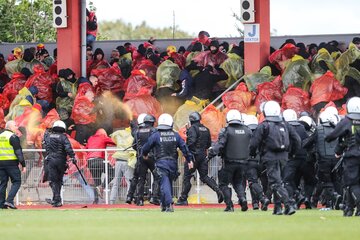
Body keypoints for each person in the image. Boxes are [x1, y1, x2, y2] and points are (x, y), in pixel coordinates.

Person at [249, 101, 301, 215]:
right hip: (284, 157)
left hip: (270, 157)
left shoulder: (264, 125)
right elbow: (297, 139)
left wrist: (252, 153)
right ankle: (277, 208)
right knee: (279, 181)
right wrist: (292, 153)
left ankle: (288, 204)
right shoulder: (285, 124)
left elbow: (254, 143)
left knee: (275, 183)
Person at [141, 113, 193, 212]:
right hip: (173, 163)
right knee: (167, 183)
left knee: (164, 183)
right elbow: (184, 148)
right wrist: (189, 160)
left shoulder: (156, 135)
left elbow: (146, 147)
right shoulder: (176, 135)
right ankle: (164, 205)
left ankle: (169, 204)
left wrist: (144, 155)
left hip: (161, 163)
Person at [208, 110, 251, 212]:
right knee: (238, 182)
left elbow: (220, 145)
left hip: (229, 162)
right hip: (243, 162)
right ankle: (243, 198)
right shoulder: (248, 130)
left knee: (223, 184)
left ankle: (229, 205)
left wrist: (211, 153)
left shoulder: (226, 130)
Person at [176, 111, 223, 206]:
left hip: (193, 156)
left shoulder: (192, 128)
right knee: (205, 177)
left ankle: (183, 198)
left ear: (191, 120)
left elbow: (190, 143)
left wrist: (188, 155)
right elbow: (209, 144)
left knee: (187, 177)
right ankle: (218, 190)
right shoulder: (206, 129)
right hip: (202, 155)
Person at [325, 97, 360, 216]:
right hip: (353, 153)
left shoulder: (347, 121)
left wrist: (329, 137)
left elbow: (332, 136)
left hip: (352, 156)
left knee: (351, 182)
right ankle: (349, 209)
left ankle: (356, 205)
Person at [126, 114, 160, 206]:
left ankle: (139, 200)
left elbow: (134, 145)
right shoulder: (154, 130)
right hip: (152, 157)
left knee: (141, 178)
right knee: (157, 177)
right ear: (152, 122)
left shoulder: (138, 131)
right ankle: (154, 197)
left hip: (141, 157)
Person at [42, 120, 76, 207]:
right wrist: (72, 157)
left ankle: (56, 199)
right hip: (61, 160)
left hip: (50, 160)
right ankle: (57, 199)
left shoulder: (48, 136)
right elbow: (68, 147)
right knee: (59, 180)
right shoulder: (63, 137)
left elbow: (45, 146)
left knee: (53, 180)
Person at [243, 114, 270, 211]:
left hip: (250, 160)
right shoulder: (262, 132)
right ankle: (265, 199)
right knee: (264, 182)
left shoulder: (245, 133)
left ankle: (258, 201)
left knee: (253, 182)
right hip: (262, 161)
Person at [0, 120, 26, 209]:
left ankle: (1, 204)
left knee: (3, 183)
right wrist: (23, 164)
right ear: (9, 127)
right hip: (11, 163)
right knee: (17, 181)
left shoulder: (0, 136)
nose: (17, 127)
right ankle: (9, 201)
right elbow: (18, 152)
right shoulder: (13, 137)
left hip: (0, 163)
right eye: (15, 125)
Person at [86, 128, 116, 202]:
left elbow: (87, 147)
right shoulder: (103, 137)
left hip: (90, 161)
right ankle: (102, 187)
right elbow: (114, 142)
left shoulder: (90, 138)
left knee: (97, 181)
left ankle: (95, 201)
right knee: (112, 173)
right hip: (99, 159)